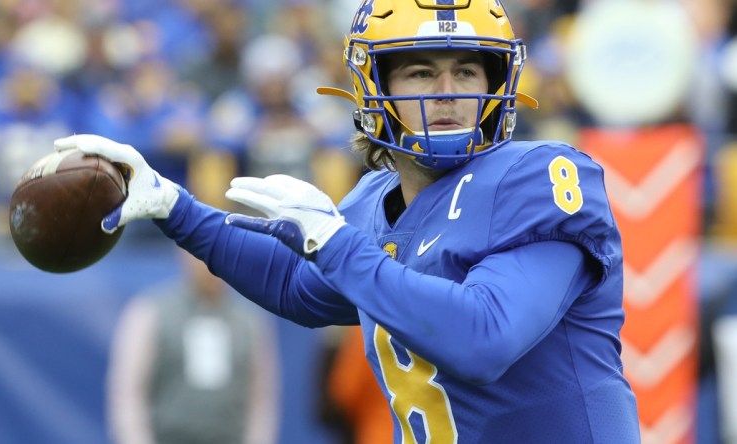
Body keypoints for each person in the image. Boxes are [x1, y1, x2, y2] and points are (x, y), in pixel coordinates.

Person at [56, 0, 641, 441]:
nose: (447, 93)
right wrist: (174, 208)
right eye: (419, 73)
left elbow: (485, 338)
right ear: (372, 86)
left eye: (467, 71)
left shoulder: (537, 176)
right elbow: (295, 284)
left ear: (497, 83)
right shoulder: (370, 202)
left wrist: (335, 245)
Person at [106, 249, 278, 444]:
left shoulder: (251, 322)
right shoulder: (150, 313)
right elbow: (128, 394)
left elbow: (261, 400)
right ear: (184, 252)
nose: (210, 265)